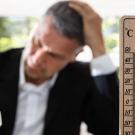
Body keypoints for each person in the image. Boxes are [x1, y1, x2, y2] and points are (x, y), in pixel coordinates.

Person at [0, 1, 119, 135]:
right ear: (35, 27)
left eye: (53, 56)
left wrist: (99, 49)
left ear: (75, 56)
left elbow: (109, 128)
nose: (36, 60)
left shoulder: (81, 79)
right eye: (37, 42)